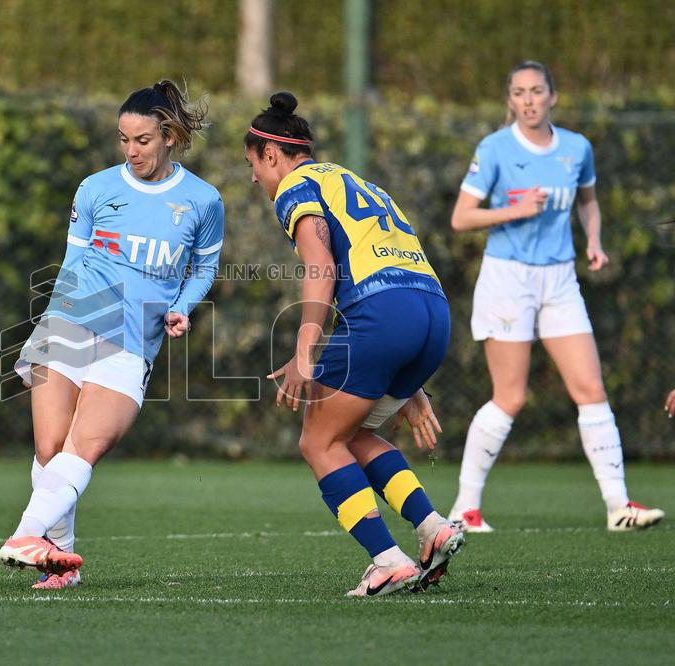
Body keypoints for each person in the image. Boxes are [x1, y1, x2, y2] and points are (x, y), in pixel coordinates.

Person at [0, 80, 224, 589]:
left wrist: (182, 308)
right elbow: (74, 264)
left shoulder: (203, 201)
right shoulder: (96, 188)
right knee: (49, 448)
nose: (131, 150)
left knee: (87, 444)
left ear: (169, 136)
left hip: (132, 338)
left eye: (142, 140)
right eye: (123, 140)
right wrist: (46, 330)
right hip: (71, 321)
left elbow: (202, 270)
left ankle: (26, 535)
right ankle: (60, 565)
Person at [245, 93, 463, 597]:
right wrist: (409, 384)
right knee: (351, 433)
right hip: (432, 311)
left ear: (271, 154)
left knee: (317, 441)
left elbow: (321, 267)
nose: (254, 177)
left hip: (382, 316)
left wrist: (304, 353)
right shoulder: (354, 180)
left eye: (253, 163)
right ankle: (432, 528)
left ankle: (389, 561)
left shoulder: (294, 188)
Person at [448, 61, 665, 533]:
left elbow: (588, 201)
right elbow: (462, 218)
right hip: (508, 278)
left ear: (553, 96)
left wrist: (594, 240)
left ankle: (618, 506)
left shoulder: (576, 147)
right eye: (520, 93)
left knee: (590, 389)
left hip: (560, 279)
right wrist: (515, 209)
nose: (529, 100)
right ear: (510, 101)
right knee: (511, 397)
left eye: (537, 91)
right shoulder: (496, 149)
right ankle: (465, 508)